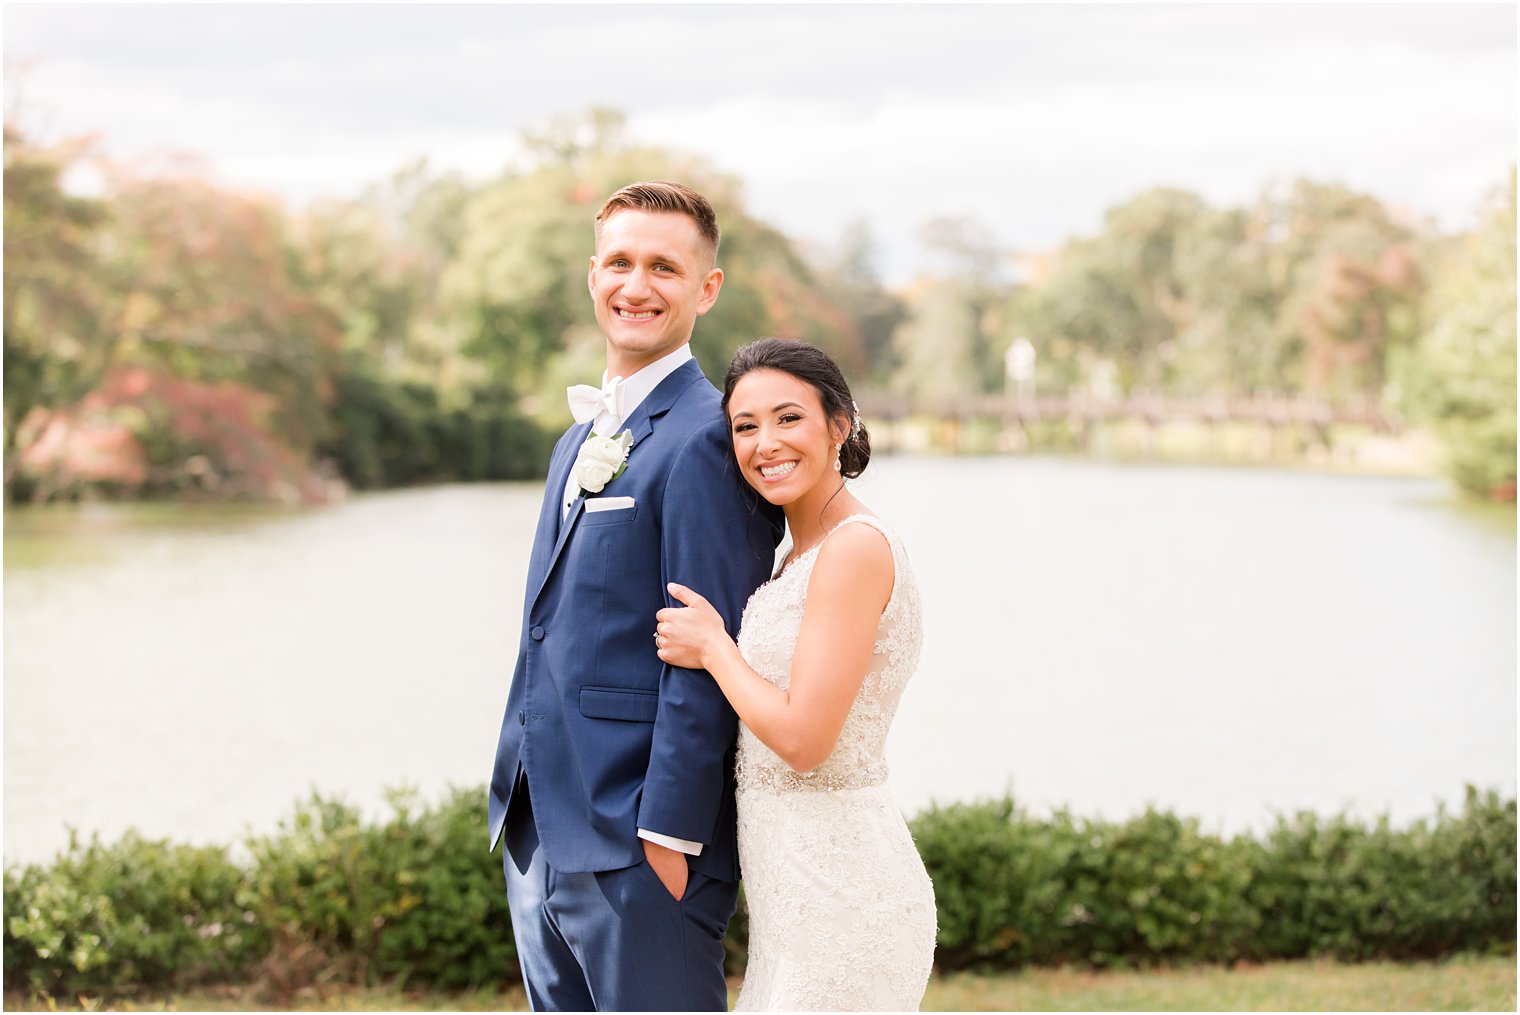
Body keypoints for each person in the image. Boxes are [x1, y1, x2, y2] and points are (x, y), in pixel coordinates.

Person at [487, 181, 783, 1011]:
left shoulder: (707, 437)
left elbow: (709, 649)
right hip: (540, 828)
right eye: (620, 262)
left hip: (639, 843)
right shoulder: (574, 442)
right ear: (592, 276)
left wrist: (670, 833)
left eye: (664, 266)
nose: (637, 285)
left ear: (706, 289)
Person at [655, 338, 937, 1011]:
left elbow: (806, 740)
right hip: (794, 906)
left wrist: (716, 648)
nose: (765, 443)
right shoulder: (794, 557)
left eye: (788, 418)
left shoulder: (853, 550)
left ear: (839, 424)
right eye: (745, 426)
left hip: (845, 899)